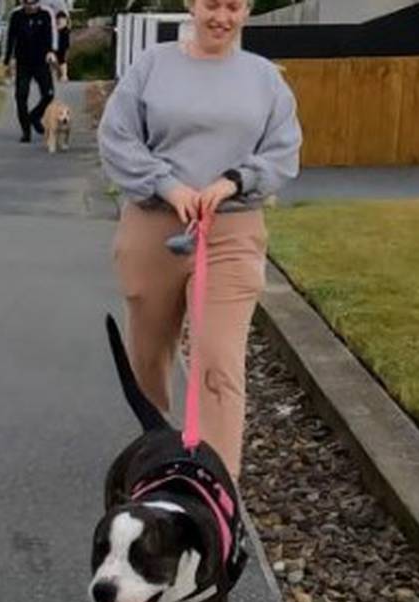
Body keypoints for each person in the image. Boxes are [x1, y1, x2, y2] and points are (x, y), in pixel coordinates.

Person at [96, 0, 301, 478]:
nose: (222, 17)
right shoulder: (152, 66)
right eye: (212, 4)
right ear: (191, 3)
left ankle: (215, 482)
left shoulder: (264, 78)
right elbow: (118, 137)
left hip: (230, 229)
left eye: (235, 6)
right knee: (149, 355)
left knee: (218, 358)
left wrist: (233, 180)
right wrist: (168, 185)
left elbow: (282, 150)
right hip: (155, 224)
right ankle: (154, 460)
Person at [4, 0, 57, 143]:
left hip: (41, 61)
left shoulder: (45, 15)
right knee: (21, 96)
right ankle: (25, 131)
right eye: (27, 4)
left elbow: (51, 34)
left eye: (33, 3)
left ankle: (34, 116)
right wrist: (8, 60)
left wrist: (51, 51)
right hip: (23, 62)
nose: (31, 6)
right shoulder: (16, 16)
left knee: (49, 94)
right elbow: (10, 38)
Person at [55, 10, 71, 82]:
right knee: (56, 61)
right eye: (58, 19)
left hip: (63, 46)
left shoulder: (65, 29)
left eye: (61, 19)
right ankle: (59, 75)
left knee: (62, 60)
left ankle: (64, 75)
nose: (60, 21)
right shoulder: (57, 27)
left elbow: (62, 27)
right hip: (57, 45)